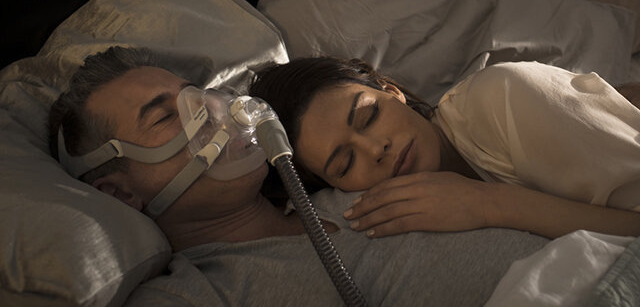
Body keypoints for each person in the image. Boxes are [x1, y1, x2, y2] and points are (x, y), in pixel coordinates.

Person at [48, 46, 552, 306]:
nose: (211, 111)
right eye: (164, 116)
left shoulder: (346, 184)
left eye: (195, 93)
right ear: (119, 192)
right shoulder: (200, 295)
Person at [249, 56, 640, 240]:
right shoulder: (382, 215)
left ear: (391, 91)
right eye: (345, 163)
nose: (376, 149)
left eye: (368, 116)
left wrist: (491, 204)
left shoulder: (501, 96)